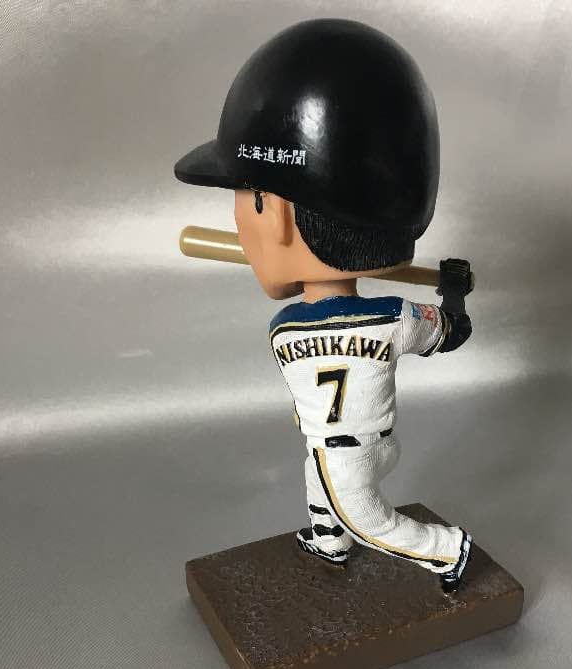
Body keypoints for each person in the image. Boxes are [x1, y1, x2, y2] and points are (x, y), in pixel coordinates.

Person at [175, 18, 475, 591]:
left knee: (368, 520)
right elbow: (454, 331)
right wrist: (453, 291)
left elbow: (308, 345)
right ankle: (327, 539)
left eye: (242, 197)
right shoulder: (394, 318)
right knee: (318, 477)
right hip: (370, 445)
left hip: (349, 454)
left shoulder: (283, 331)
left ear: (275, 215)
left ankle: (447, 550)